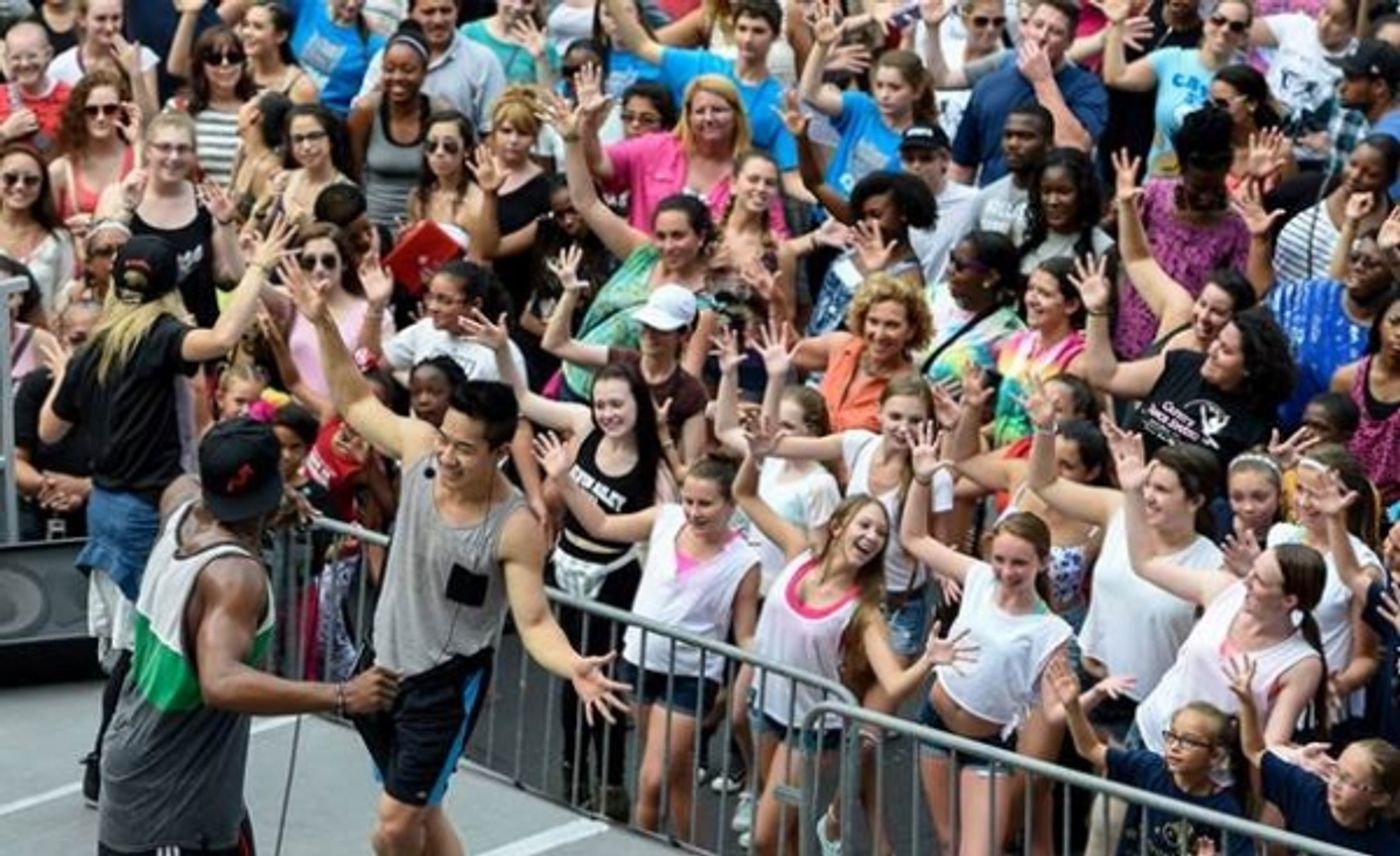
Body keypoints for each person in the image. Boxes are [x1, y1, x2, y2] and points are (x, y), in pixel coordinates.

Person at [285, 251, 628, 856]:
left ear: (497, 453)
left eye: (464, 449)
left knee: (392, 828)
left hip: (441, 689)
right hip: (380, 666)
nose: (446, 455)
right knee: (425, 815)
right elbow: (357, 402)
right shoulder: (419, 446)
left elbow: (535, 620)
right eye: (446, 440)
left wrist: (572, 663)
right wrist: (321, 323)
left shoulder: (513, 525)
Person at [41, 223, 295, 808]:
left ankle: (111, 763)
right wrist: (259, 267)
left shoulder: (97, 346)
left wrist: (69, 377)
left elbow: (50, 429)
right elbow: (225, 333)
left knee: (135, 646)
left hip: (107, 509)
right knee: (142, 650)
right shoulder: (156, 336)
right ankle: (112, 766)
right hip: (139, 514)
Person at [96, 418, 400, 856]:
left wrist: (265, 500)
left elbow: (192, 481)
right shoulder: (235, 575)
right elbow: (220, 681)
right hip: (170, 802)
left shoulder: (179, 502)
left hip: (154, 766)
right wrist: (341, 695)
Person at [734, 422, 976, 856]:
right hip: (765, 708)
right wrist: (755, 455)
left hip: (808, 729)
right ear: (840, 524)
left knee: (765, 837)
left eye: (880, 536)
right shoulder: (799, 552)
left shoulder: (863, 610)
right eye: (864, 526)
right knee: (784, 836)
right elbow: (746, 496)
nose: (870, 538)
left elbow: (895, 685)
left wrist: (928, 659)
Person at [538, 445, 760, 840]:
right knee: (672, 775)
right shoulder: (666, 518)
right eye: (689, 500)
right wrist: (563, 479)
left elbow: (743, 631)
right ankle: (681, 845)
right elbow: (603, 525)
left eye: (706, 504)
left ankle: (652, 846)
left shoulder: (744, 560)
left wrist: (762, 661)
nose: (694, 512)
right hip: (640, 662)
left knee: (654, 777)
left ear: (729, 506)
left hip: (692, 675)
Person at [901, 445, 1075, 856]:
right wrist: (922, 479)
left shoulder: (1053, 631)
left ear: (1043, 563)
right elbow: (912, 537)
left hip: (989, 748)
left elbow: (1052, 711)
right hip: (936, 724)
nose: (1007, 573)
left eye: (1019, 563)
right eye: (1000, 560)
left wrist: (1078, 704)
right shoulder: (978, 578)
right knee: (947, 842)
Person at [1077, 257, 1295, 471]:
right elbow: (1105, 376)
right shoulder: (1182, 364)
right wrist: (1097, 311)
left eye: (1226, 350)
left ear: (1249, 367)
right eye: (1217, 342)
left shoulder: (1256, 426)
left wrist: (1270, 470)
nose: (1212, 351)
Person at [1048, 660, 1253, 856]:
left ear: (1215, 755)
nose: (1174, 747)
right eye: (1171, 736)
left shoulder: (1225, 809)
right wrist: (1073, 706)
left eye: (1189, 741)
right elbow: (1090, 749)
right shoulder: (1149, 767)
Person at [603, 0, 803, 197]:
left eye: (758, 31)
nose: (748, 39)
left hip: (734, 195)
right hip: (678, 182)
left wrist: (829, 206)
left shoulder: (779, 100)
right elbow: (642, 46)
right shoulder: (703, 64)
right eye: (742, 29)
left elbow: (790, 177)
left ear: (775, 36)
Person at [541, 255, 707, 463]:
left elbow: (690, 469)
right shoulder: (625, 360)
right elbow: (556, 344)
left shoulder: (689, 392)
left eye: (661, 329)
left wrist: (662, 436)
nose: (650, 335)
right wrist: (570, 293)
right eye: (646, 326)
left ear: (684, 335)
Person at [1231, 661, 1400, 851]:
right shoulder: (1305, 792)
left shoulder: (1387, 846)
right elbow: (1255, 751)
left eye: (1349, 780)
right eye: (1336, 771)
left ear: (1379, 799)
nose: (1335, 783)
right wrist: (1247, 704)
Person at [96, 113, 243, 329]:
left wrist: (225, 224)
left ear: (194, 155)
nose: (173, 157)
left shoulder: (206, 203)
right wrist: (127, 211)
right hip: (138, 334)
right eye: (164, 148)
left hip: (199, 337)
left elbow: (230, 279)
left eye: (182, 149)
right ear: (148, 150)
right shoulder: (120, 195)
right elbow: (99, 265)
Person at [1110, 148, 1257, 359]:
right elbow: (1134, 254)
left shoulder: (1235, 226)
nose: (1205, 197)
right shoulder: (1154, 194)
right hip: (1130, 335)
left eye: (1214, 188)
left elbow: (1243, 292)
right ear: (1182, 171)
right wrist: (1122, 209)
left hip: (1185, 345)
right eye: (1197, 188)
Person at [950, 0, 1107, 185]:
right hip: (996, 203)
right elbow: (962, 167)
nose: (1042, 36)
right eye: (1038, 25)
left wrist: (1043, 81)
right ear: (1024, 28)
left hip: (1055, 202)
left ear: (1069, 42)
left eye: (1056, 32)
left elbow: (1076, 148)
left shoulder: (1087, 87)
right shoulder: (989, 85)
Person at [1100, 0, 1252, 176]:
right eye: (1218, 20)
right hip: (1156, 183)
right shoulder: (1172, 58)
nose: (1225, 30)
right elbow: (1116, 77)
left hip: (1205, 191)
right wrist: (1116, 25)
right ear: (1206, 22)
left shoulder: (1243, 81)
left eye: (1236, 27)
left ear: (1244, 37)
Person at [800, 3, 935, 197]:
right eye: (879, 86)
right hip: (827, 213)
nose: (884, 95)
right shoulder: (862, 107)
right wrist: (821, 46)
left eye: (894, 88)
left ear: (917, 92)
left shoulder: (917, 142)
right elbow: (810, 94)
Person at [791, 274, 934, 433]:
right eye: (873, 321)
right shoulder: (843, 346)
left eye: (892, 325)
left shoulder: (909, 387)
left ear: (911, 331)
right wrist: (775, 301)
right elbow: (789, 350)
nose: (879, 334)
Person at [355, 0, 506, 137]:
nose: (438, 20)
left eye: (445, 11)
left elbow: (492, 129)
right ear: (410, 13)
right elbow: (359, 112)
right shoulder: (388, 58)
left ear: (458, 10)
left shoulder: (483, 61)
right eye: (428, 12)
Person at [347, 21, 435, 227]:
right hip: (373, 224)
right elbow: (353, 171)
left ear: (424, 72)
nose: (397, 77)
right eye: (389, 69)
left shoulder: (438, 112)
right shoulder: (365, 111)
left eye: (408, 70)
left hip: (423, 223)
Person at [919, 230, 1025, 395]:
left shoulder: (1008, 334)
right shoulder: (931, 297)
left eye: (960, 266)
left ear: (990, 277)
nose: (949, 269)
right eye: (951, 259)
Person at [47, 68, 138, 238]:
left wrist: (137, 141)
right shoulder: (60, 169)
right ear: (79, 114)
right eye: (91, 110)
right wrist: (66, 229)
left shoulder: (138, 157)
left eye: (109, 109)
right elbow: (43, 232)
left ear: (122, 110)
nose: (101, 117)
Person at [164, 25, 257, 189]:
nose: (225, 64)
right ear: (201, 65)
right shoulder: (179, 108)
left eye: (233, 57)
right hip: (192, 207)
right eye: (215, 58)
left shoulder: (260, 107)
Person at [1333, 287, 1400, 504]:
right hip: (1346, 497)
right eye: (1394, 322)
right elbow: (1330, 438)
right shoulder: (1347, 378)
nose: (1399, 333)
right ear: (1379, 322)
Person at [47, 0, 159, 123]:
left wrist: (135, 74)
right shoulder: (60, 68)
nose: (110, 27)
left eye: (116, 18)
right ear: (82, 19)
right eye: (101, 19)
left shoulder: (142, 57)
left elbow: (151, 123)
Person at [0, 142, 75, 310]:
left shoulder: (59, 240)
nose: (20, 186)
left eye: (30, 181)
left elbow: (64, 297)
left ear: (43, 186)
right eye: (10, 178)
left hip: (41, 333)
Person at [1016, 147, 1114, 273]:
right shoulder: (1024, 233)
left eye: (1063, 192)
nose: (1053, 201)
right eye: (1046, 192)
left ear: (1083, 193)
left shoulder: (1101, 247)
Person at [284, 0, 385, 117]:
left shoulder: (373, 45)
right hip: (284, 97)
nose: (352, 4)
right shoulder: (308, 6)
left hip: (325, 118)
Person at [965, 103, 1053, 238]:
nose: (1013, 144)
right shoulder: (985, 197)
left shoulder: (1058, 200)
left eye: (1025, 136)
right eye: (1008, 135)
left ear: (1049, 144)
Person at [0, 21, 70, 156]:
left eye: (32, 56)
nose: (24, 64)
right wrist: (5, 132)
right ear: (7, 60)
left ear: (48, 55)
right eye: (16, 58)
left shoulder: (69, 98)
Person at [459, 0, 559, 85]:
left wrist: (541, 58)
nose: (518, 6)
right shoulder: (469, 33)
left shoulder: (544, 45)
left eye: (527, 1)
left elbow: (549, 97)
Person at [237, 1, 319, 103]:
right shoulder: (237, 69)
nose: (247, 32)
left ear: (280, 36)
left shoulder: (301, 87)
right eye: (245, 25)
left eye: (258, 27)